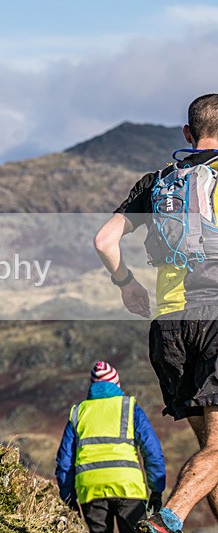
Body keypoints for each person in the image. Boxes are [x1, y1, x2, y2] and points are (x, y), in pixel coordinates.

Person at [94, 94, 218, 533]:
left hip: (169, 327)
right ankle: (167, 520)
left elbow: (104, 241)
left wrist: (127, 283)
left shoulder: (157, 183)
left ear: (188, 134)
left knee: (211, 450)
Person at [55, 361, 166, 533]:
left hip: (90, 488)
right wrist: (157, 489)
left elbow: (64, 461)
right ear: (116, 384)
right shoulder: (129, 408)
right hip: (128, 486)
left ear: (92, 385)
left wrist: (68, 497)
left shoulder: (79, 412)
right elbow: (152, 450)